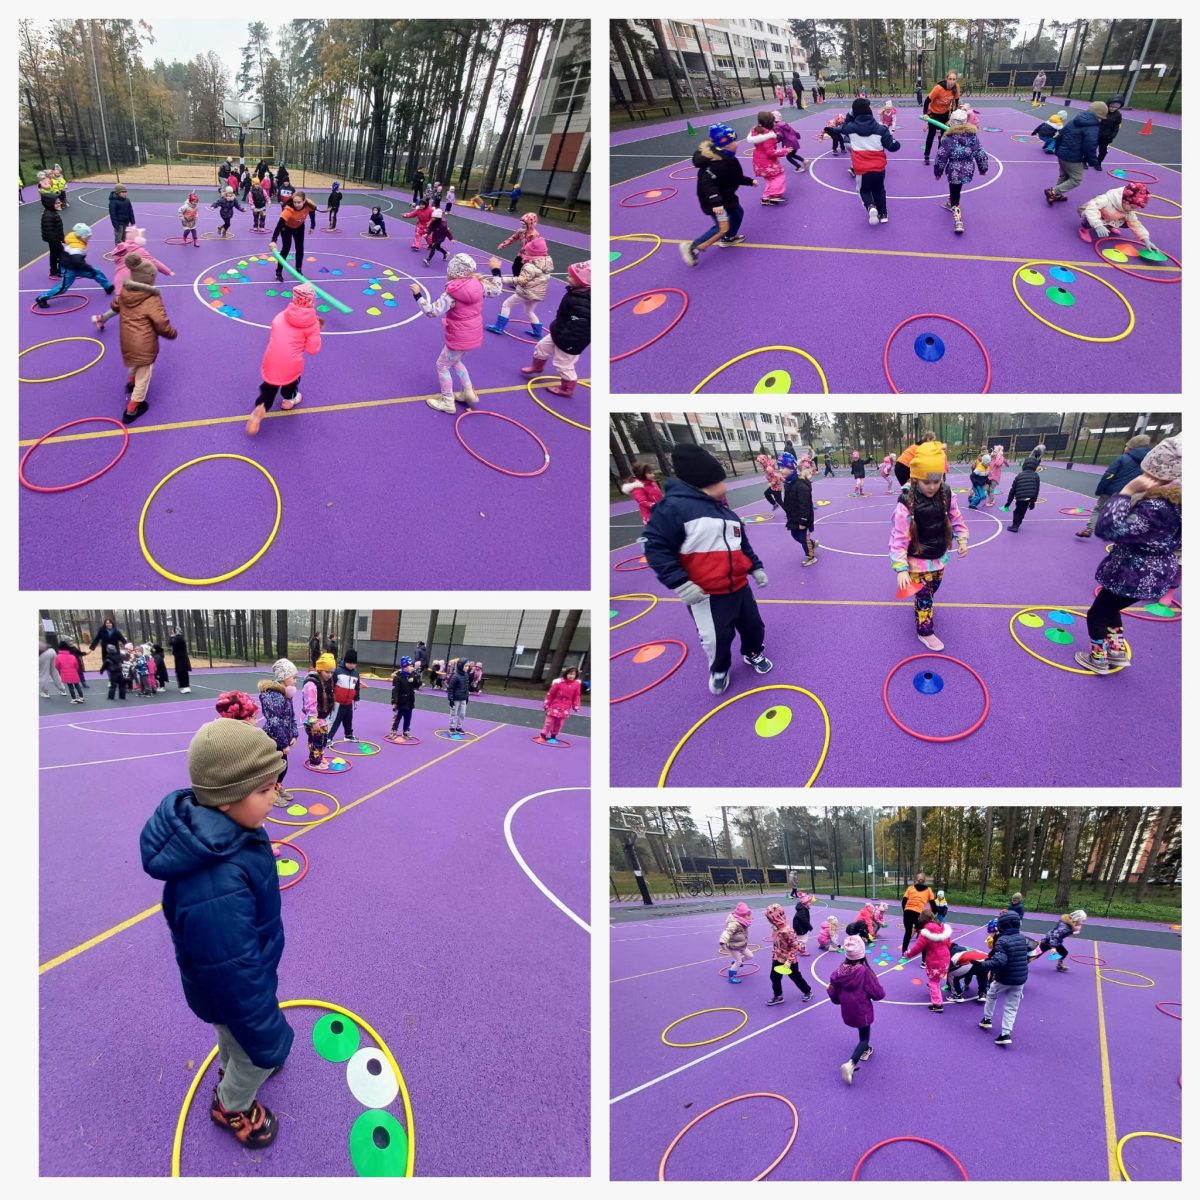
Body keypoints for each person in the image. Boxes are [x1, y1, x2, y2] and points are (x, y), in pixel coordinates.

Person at [140, 719, 292, 1147]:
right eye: (264, 791)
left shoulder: (233, 830)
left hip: (235, 983)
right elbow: (232, 972)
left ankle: (233, 1066)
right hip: (236, 989)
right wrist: (266, 1034)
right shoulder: (215, 883)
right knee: (254, 1049)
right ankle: (231, 1105)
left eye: (274, 785)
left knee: (232, 1036)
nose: (275, 795)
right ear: (225, 801)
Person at [642, 443, 772, 696]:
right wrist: (681, 583)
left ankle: (753, 652)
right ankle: (719, 668)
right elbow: (655, 547)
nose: (725, 486)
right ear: (704, 483)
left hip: (739, 587)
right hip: (706, 594)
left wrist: (755, 567)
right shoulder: (673, 509)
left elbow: (742, 545)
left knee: (754, 626)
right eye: (720, 481)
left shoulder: (727, 514)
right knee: (715, 637)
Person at [1076, 434, 1181, 674]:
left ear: (1154, 475)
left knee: (1097, 614)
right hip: (1157, 573)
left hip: (1133, 573)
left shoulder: (1157, 506)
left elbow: (1108, 528)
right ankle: (1117, 651)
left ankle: (1098, 659)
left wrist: (1127, 491)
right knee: (1111, 609)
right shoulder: (1179, 505)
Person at [889, 441, 969, 650]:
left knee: (931, 591)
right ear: (916, 478)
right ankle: (925, 631)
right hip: (917, 561)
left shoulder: (946, 493)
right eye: (927, 482)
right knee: (925, 596)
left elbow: (956, 517)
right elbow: (898, 537)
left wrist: (962, 538)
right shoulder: (906, 502)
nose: (932, 486)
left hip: (938, 556)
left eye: (936, 480)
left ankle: (922, 603)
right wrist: (901, 568)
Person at [411, 252, 504, 414]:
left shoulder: (452, 293)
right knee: (455, 361)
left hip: (459, 336)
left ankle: (447, 401)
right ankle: (468, 391)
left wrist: (418, 296)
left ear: (453, 272)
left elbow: (432, 311)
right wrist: (496, 270)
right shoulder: (479, 285)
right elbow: (496, 290)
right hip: (473, 334)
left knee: (442, 366)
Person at [104, 253, 179, 426]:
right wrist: (171, 333)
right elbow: (161, 322)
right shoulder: (151, 298)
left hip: (127, 339)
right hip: (144, 342)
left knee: (135, 361)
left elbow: (114, 305)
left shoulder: (125, 291)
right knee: (144, 375)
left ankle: (131, 382)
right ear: (150, 278)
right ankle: (133, 409)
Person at [247, 279, 323, 435]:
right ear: (312, 303)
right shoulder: (312, 324)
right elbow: (313, 349)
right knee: (291, 382)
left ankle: (260, 408)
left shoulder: (282, 315)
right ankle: (289, 400)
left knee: (269, 387)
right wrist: (316, 331)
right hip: (291, 363)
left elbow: (275, 326)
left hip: (271, 359)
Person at [679, 123, 757, 268]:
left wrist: (749, 181)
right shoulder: (715, 163)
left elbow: (734, 176)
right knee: (722, 227)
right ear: (725, 144)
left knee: (737, 213)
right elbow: (707, 184)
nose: (737, 143)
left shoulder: (727, 158)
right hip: (715, 202)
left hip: (727, 197)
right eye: (734, 141)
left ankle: (728, 238)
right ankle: (692, 247)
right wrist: (716, 203)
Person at [520, 258, 590, 398]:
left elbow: (579, 329)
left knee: (562, 364)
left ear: (583, 281)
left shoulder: (585, 303)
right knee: (541, 347)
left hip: (571, 341)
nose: (567, 278)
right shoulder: (576, 291)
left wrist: (567, 342)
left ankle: (567, 388)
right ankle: (537, 367)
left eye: (571, 277)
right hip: (559, 330)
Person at [826, 934, 885, 1083]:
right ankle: (851, 1063)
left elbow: (834, 994)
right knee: (865, 1037)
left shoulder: (838, 971)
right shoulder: (864, 972)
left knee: (861, 1030)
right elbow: (878, 994)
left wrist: (833, 994)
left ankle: (865, 1049)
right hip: (861, 1010)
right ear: (862, 954)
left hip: (848, 1010)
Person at [1075, 433, 1152, 538]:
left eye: (1126, 446)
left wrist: (1101, 490)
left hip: (1112, 491)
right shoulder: (1149, 461)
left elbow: (1108, 475)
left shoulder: (1123, 459)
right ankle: (1126, 534)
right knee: (1129, 512)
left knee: (1099, 509)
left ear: (1131, 448)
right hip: (1134, 493)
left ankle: (1089, 529)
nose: (1125, 448)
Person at [841, 97, 900, 227]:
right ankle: (883, 214)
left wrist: (851, 113)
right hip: (879, 169)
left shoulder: (851, 128)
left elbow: (844, 125)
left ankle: (870, 206)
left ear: (855, 113)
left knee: (863, 190)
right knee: (879, 190)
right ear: (870, 112)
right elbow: (893, 146)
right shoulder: (881, 129)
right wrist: (896, 142)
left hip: (862, 169)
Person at [933, 108, 989, 235]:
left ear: (951, 123)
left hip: (954, 171)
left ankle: (958, 222)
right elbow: (980, 153)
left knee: (955, 196)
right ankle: (950, 202)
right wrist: (983, 168)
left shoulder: (948, 139)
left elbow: (941, 156)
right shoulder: (973, 137)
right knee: (957, 189)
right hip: (968, 170)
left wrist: (938, 172)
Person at [978, 910, 1029, 1046]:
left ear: (1002, 926)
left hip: (1005, 977)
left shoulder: (1002, 940)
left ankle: (987, 1019)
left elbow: (1000, 961)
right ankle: (1005, 1033)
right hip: (1020, 979)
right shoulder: (1022, 938)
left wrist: (982, 965)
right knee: (1012, 1006)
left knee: (991, 994)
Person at [486, 235, 553, 336]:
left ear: (533, 253)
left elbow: (521, 280)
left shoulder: (529, 266)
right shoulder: (546, 262)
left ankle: (499, 327)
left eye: (527, 252)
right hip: (538, 294)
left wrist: (502, 279)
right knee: (529, 311)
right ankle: (537, 332)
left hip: (527, 292)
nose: (525, 253)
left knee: (506, 304)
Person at [35, 223, 114, 309]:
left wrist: (90, 269)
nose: (89, 238)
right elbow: (78, 261)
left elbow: (78, 262)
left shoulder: (76, 237)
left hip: (76, 266)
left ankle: (107, 287)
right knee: (62, 288)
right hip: (69, 269)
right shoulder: (76, 248)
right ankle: (41, 298)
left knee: (97, 272)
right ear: (82, 236)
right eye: (88, 236)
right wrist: (90, 269)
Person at [1045, 103, 1105, 205]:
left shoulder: (1073, 121)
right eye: (1102, 118)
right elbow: (1089, 146)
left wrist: (1058, 150)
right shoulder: (1092, 128)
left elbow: (1060, 135)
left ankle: (1056, 194)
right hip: (1073, 158)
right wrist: (1093, 161)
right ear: (1099, 116)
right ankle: (1053, 192)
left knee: (1064, 175)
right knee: (1076, 179)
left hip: (1062, 154)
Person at [256, 660, 297, 804]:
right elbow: (274, 722)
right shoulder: (272, 696)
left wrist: (294, 734)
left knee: (283, 767)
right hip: (273, 739)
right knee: (275, 768)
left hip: (283, 738)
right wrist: (283, 744)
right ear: (284, 677)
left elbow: (291, 716)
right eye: (294, 677)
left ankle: (277, 788)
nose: (295, 681)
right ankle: (271, 794)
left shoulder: (286, 694)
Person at [1077, 181, 1158, 249]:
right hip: (1089, 210)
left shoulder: (1128, 209)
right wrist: (1098, 225)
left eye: (1136, 208)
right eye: (1132, 207)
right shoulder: (1106, 199)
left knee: (1130, 222)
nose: (1133, 210)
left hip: (1109, 216)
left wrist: (1146, 240)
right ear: (1125, 200)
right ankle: (1084, 229)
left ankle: (1109, 226)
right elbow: (1091, 209)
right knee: (1091, 214)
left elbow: (1136, 224)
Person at [902, 907, 954, 1012]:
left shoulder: (925, 932)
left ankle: (937, 1005)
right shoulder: (942, 928)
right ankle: (934, 990)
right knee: (936, 979)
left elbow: (917, 948)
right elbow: (949, 944)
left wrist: (908, 954)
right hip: (946, 959)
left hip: (935, 961)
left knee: (933, 981)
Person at [765, 902, 813, 1006]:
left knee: (795, 977)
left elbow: (794, 947)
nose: (769, 921)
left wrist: (789, 960)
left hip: (789, 960)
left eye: (770, 918)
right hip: (778, 958)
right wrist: (774, 955)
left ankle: (807, 991)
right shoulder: (775, 929)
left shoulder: (788, 931)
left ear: (775, 918)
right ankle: (778, 996)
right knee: (774, 977)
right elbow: (776, 944)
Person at [778, 452, 817, 566]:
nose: (780, 470)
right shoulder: (789, 482)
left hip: (802, 517)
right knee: (794, 535)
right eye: (780, 467)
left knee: (803, 538)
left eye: (783, 467)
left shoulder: (800, 485)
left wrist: (803, 521)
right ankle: (812, 544)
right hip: (794, 516)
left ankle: (811, 556)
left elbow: (805, 505)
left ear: (791, 468)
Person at [269, 191, 317, 280]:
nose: (296, 204)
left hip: (299, 227)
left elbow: (312, 212)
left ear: (304, 201)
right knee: (286, 248)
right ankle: (278, 272)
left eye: (299, 202)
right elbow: (279, 225)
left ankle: (298, 269)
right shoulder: (288, 210)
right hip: (286, 228)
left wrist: (313, 225)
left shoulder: (308, 206)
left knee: (300, 249)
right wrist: (273, 240)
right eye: (295, 202)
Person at [747, 112, 790, 206]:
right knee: (779, 176)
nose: (775, 123)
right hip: (767, 163)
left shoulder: (755, 130)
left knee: (769, 179)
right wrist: (784, 151)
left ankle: (766, 197)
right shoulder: (769, 136)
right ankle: (775, 195)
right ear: (769, 123)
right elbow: (770, 153)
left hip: (758, 161)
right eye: (774, 121)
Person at [302, 653, 336, 769]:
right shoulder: (311, 684)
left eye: (332, 672)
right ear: (320, 670)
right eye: (327, 672)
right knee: (316, 741)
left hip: (322, 717)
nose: (330, 675)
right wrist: (313, 721)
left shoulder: (327, 680)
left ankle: (319, 757)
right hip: (313, 719)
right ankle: (314, 762)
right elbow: (310, 704)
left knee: (323, 739)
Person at [921, 70, 961, 165]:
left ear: (956, 80)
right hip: (933, 114)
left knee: (944, 136)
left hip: (944, 114)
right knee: (931, 134)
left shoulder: (956, 88)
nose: (952, 81)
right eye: (950, 79)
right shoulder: (938, 88)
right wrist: (925, 113)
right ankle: (926, 155)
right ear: (946, 79)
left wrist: (953, 116)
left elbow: (956, 102)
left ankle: (940, 155)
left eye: (954, 79)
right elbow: (927, 101)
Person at [538, 665, 581, 745]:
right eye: (570, 674)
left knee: (559, 723)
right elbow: (551, 694)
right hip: (554, 706)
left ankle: (553, 736)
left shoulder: (576, 684)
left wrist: (576, 705)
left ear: (576, 675)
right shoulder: (559, 683)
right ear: (566, 674)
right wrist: (546, 704)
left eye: (573, 674)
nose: (571, 676)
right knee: (549, 722)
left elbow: (577, 696)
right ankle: (543, 735)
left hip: (565, 708)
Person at [328, 649, 361, 744]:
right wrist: (330, 698)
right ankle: (328, 737)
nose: (351, 665)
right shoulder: (338, 671)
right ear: (345, 661)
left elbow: (357, 687)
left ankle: (348, 735)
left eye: (353, 663)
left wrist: (356, 699)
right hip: (338, 702)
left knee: (348, 720)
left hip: (349, 702)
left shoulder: (356, 674)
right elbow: (331, 685)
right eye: (349, 663)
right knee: (335, 721)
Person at [497, 211, 542, 277]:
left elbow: (536, 247)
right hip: (521, 254)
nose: (522, 226)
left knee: (525, 270)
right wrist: (503, 244)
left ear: (530, 224)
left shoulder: (534, 235)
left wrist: (531, 257)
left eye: (524, 224)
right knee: (515, 267)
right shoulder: (520, 231)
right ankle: (517, 279)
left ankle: (522, 280)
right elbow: (513, 238)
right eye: (522, 224)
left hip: (530, 256)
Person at [718, 901, 754, 984]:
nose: (749, 917)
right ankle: (731, 977)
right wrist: (723, 942)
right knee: (739, 961)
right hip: (733, 946)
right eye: (748, 915)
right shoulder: (734, 924)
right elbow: (727, 932)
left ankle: (735, 962)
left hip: (741, 944)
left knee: (750, 956)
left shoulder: (743, 922)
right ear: (742, 915)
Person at [1003, 456, 1042, 532]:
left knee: (1017, 511)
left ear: (1024, 465)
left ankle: (1015, 526)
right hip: (1030, 497)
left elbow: (1013, 490)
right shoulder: (1036, 476)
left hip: (1020, 497)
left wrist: (1008, 502)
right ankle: (1018, 524)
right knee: (1022, 511)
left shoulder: (1019, 475)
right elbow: (1036, 489)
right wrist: (1033, 501)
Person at [900, 872, 935, 955]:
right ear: (925, 880)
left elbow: (904, 902)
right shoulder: (928, 890)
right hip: (918, 914)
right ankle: (924, 958)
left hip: (907, 912)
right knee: (923, 934)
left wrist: (905, 911)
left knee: (908, 932)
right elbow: (934, 906)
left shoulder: (910, 888)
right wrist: (930, 917)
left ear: (916, 879)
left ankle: (904, 953)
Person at [388, 656, 421, 743]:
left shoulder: (412, 675)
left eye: (412, 666)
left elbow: (418, 684)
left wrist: (414, 680)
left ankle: (406, 731)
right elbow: (395, 690)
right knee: (397, 717)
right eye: (410, 666)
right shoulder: (398, 677)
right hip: (400, 701)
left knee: (408, 717)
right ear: (405, 666)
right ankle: (393, 731)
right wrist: (394, 701)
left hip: (410, 701)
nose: (412, 668)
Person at [40, 193, 64, 278]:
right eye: (57, 203)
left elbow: (57, 229)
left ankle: (54, 271)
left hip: (55, 239)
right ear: (50, 204)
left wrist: (62, 238)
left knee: (54, 255)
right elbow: (49, 230)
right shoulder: (49, 215)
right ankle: (60, 271)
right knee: (61, 255)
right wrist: (57, 241)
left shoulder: (52, 213)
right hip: (54, 240)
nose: (60, 204)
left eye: (59, 202)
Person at [446, 658, 471, 736]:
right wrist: (451, 699)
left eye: (468, 666)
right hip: (455, 698)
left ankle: (459, 727)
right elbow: (451, 689)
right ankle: (452, 727)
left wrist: (467, 697)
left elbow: (466, 687)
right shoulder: (455, 676)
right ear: (460, 666)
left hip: (463, 698)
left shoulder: (466, 675)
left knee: (462, 714)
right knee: (454, 713)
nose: (467, 667)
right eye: (465, 666)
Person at [1097, 97, 1124, 165]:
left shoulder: (1118, 115)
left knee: (1103, 151)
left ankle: (1098, 162)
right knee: (1090, 148)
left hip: (1106, 136)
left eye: (1115, 107)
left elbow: (1116, 127)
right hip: (1096, 134)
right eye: (1111, 107)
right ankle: (1084, 161)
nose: (1113, 108)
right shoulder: (1103, 111)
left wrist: (1111, 136)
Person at [171, 628, 192, 693]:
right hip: (183, 658)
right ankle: (186, 687)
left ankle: (184, 687)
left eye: (173, 631)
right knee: (184, 672)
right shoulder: (181, 638)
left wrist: (171, 637)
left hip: (180, 658)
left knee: (181, 673)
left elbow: (171, 643)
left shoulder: (177, 638)